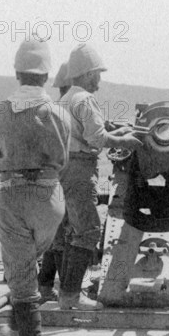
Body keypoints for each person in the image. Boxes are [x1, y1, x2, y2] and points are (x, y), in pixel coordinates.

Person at [0, 37, 72, 336]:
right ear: (46, 75)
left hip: (13, 196)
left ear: (16, 72)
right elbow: (63, 158)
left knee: (21, 276)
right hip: (51, 199)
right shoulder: (59, 112)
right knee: (24, 265)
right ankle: (13, 326)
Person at [58, 43, 142, 310]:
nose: (100, 79)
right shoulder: (84, 99)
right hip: (80, 169)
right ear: (87, 74)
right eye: (97, 73)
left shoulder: (67, 98)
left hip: (66, 168)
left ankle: (67, 294)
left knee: (74, 231)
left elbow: (93, 131)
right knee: (89, 230)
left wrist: (117, 131)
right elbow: (96, 138)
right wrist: (127, 141)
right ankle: (71, 297)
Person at [37, 61, 73, 302]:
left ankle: (45, 286)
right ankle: (65, 290)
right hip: (62, 179)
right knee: (62, 235)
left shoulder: (52, 109)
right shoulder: (67, 111)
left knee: (55, 236)